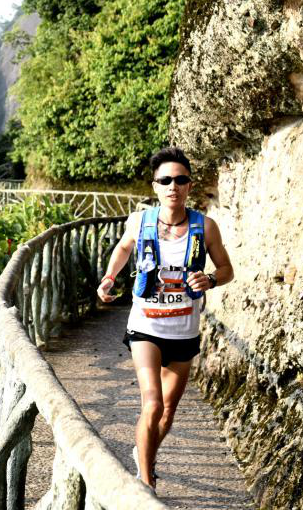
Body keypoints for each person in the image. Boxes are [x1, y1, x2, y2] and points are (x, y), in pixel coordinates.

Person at [96, 146, 233, 490]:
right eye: (166, 180)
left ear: (189, 186)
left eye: (181, 180)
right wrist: (110, 277)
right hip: (145, 327)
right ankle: (146, 484)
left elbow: (226, 269)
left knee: (168, 411)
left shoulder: (206, 227)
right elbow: (124, 247)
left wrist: (210, 279)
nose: (174, 186)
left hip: (184, 331)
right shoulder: (139, 222)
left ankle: (146, 455)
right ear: (155, 186)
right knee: (153, 404)